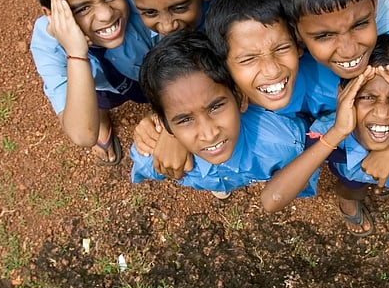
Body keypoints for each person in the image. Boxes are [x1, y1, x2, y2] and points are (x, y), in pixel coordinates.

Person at [261, 35, 389, 237]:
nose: (382, 112)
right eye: (367, 96)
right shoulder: (329, 128)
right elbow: (272, 200)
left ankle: (384, 185)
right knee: (350, 188)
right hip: (349, 173)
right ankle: (348, 203)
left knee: (386, 181)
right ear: (344, 95)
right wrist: (338, 132)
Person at [131, 0, 334, 180]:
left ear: (297, 45)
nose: (272, 70)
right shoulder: (217, 103)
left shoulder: (326, 86)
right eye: (248, 59)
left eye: (281, 49)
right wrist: (170, 133)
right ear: (223, 64)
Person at [24, 0, 153, 166]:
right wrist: (76, 54)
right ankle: (101, 116)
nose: (105, 14)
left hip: (148, 66)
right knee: (96, 100)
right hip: (99, 85)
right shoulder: (47, 44)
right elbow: (83, 134)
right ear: (51, 14)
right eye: (82, 8)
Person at [132, 30, 310, 200]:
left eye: (215, 107)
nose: (209, 134)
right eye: (185, 119)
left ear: (240, 98)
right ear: (165, 125)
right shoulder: (152, 156)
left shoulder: (283, 146)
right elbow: (142, 163)